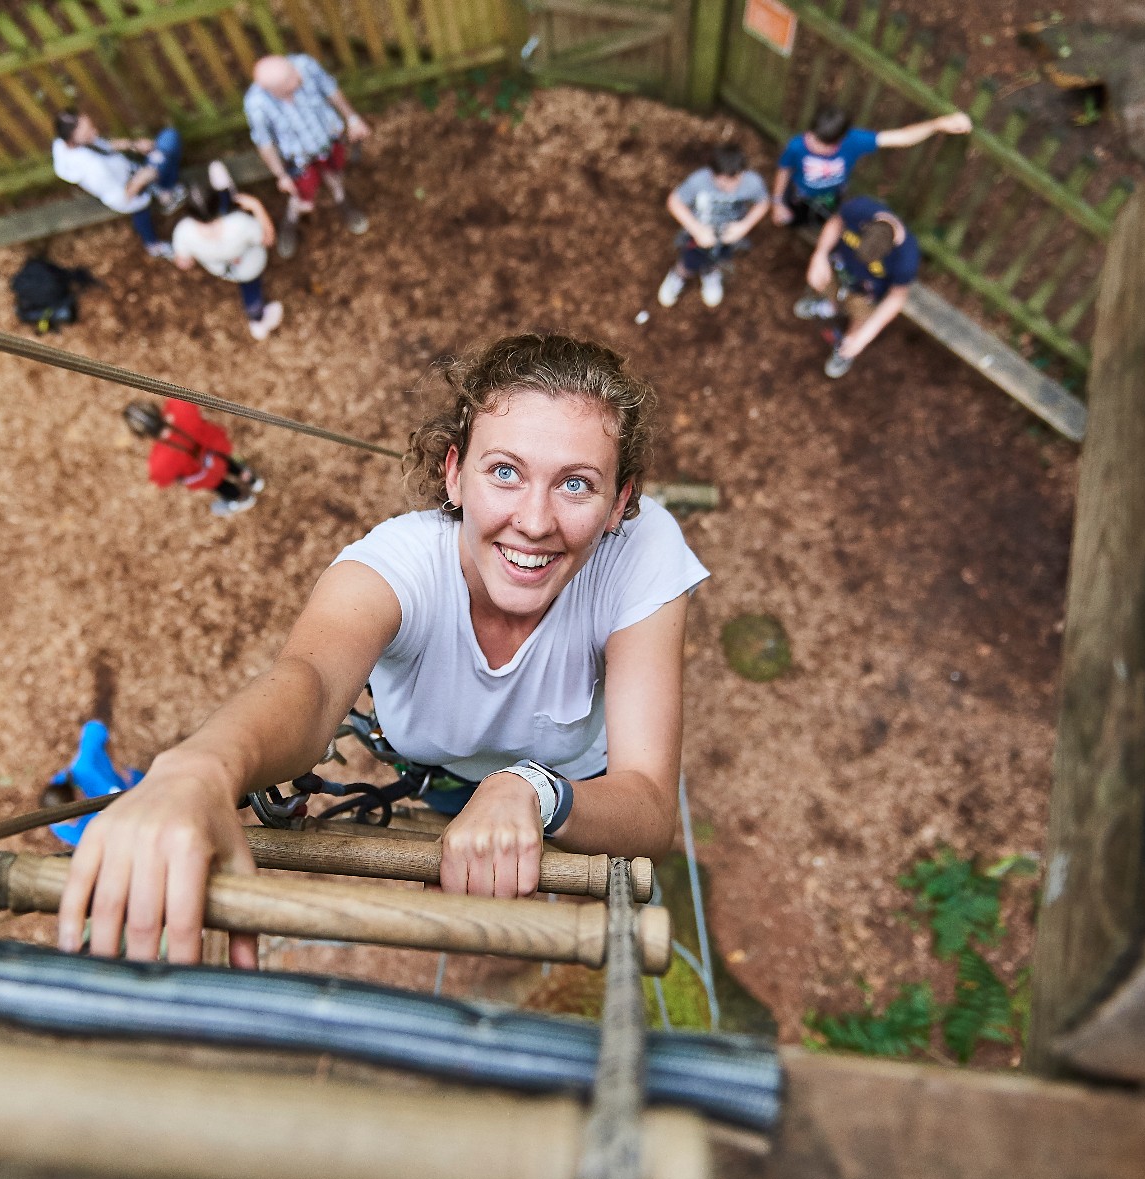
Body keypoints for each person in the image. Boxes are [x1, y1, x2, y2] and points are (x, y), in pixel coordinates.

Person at [59, 333, 708, 968]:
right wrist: (199, 768)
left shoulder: (643, 553)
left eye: (576, 485)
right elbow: (310, 680)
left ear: (621, 502)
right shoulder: (399, 565)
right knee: (486, 848)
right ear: (455, 475)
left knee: (528, 864)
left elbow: (647, 806)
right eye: (504, 472)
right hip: (454, 781)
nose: (535, 521)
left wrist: (534, 791)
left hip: (578, 789)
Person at [243, 53, 373, 259]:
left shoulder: (305, 65)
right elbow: (264, 143)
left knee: (335, 172)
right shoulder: (256, 105)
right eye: (291, 79)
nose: (298, 76)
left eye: (292, 70)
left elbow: (332, 91)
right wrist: (281, 176)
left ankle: (342, 201)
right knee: (300, 194)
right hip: (299, 158)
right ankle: (291, 221)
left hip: (329, 138)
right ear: (275, 90)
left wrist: (353, 118)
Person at [770, 105, 972, 228]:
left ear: (839, 141)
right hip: (798, 195)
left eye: (821, 144)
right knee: (794, 221)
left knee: (825, 222)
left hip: (832, 197)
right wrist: (778, 201)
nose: (812, 144)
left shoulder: (854, 140)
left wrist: (937, 124)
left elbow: (901, 137)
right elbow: (784, 169)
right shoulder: (797, 145)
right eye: (812, 137)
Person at [793, 195, 921, 379]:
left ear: (890, 250)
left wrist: (865, 336)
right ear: (865, 227)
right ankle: (830, 306)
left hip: (866, 293)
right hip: (839, 269)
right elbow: (836, 222)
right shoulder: (859, 209)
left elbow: (897, 296)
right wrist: (819, 255)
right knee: (827, 288)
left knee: (860, 316)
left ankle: (846, 348)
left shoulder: (906, 257)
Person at [171, 162, 284, 341]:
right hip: (249, 264)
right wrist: (256, 206)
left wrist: (204, 250)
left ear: (189, 214)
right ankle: (258, 321)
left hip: (221, 268)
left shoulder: (183, 231)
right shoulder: (239, 223)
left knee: (248, 288)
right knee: (251, 286)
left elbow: (184, 262)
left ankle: (257, 321)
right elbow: (269, 239)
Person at [51, 109, 185, 259]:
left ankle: (162, 192)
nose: (95, 131)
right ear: (72, 140)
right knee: (143, 210)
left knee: (169, 138)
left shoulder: (70, 143)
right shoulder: (93, 170)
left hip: (131, 172)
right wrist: (144, 177)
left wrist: (134, 145)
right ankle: (154, 244)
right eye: (88, 131)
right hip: (129, 192)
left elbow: (105, 146)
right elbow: (122, 198)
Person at [657, 143, 771, 309]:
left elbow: (763, 202)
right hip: (699, 234)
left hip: (729, 235)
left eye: (735, 180)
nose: (730, 187)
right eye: (723, 182)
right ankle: (678, 276)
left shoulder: (752, 182)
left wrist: (744, 226)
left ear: (742, 173)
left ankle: (710, 274)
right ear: (712, 174)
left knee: (719, 258)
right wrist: (697, 230)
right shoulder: (698, 181)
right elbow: (674, 201)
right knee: (690, 261)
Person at [124, 399, 266, 517]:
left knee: (220, 485)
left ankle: (242, 498)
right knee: (230, 464)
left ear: (141, 434)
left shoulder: (159, 462)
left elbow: (161, 480)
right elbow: (189, 407)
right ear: (154, 409)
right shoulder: (180, 408)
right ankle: (252, 480)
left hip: (203, 474)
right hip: (216, 451)